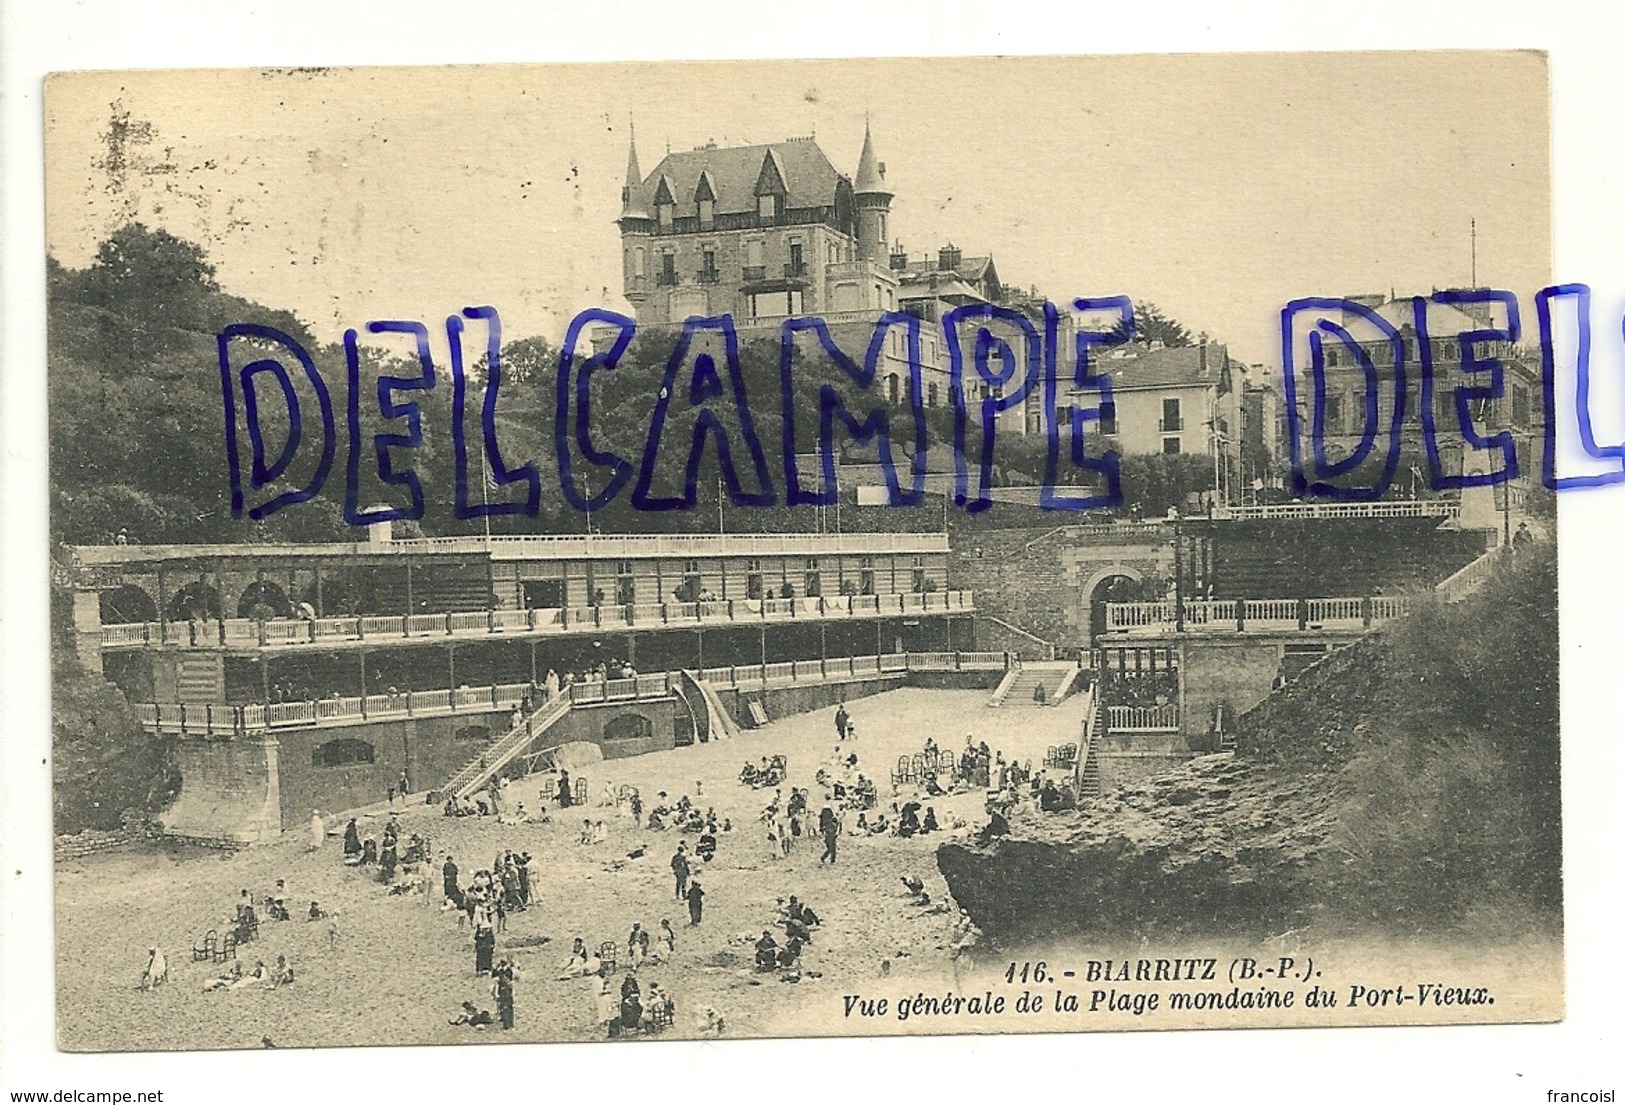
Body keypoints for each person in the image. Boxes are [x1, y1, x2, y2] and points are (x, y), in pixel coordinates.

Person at [492, 957, 516, 1029]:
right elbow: (494, 975)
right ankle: (502, 1017)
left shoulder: (508, 970)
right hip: (502, 989)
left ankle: (507, 1023)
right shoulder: (499, 970)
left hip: (505, 990)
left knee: (506, 1006)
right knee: (502, 1004)